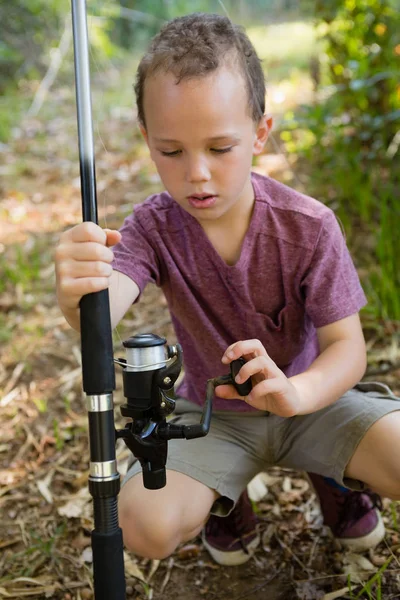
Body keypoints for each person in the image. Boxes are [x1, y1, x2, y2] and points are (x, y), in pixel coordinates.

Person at [55, 13, 400, 566]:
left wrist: (298, 395)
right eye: (172, 152)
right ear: (147, 139)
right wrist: (79, 293)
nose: (196, 174)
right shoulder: (149, 228)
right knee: (140, 525)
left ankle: (336, 473)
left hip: (312, 401)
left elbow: (347, 349)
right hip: (211, 416)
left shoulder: (309, 225)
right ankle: (224, 498)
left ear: (260, 133)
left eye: (220, 148)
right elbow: (105, 306)